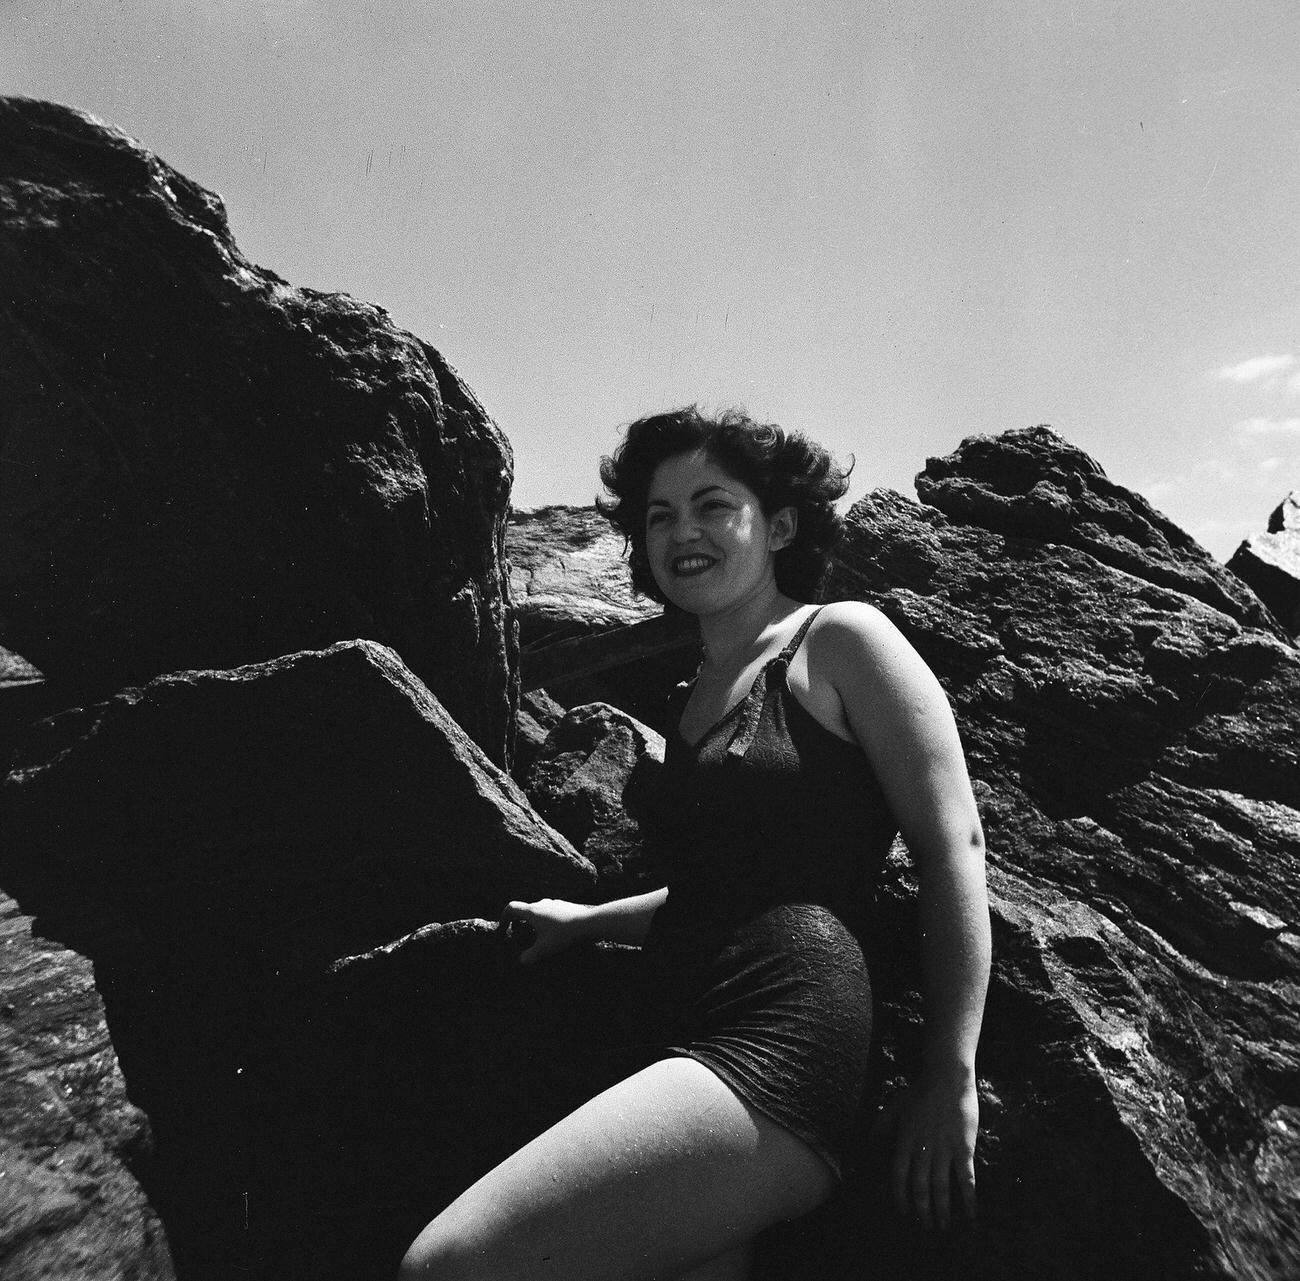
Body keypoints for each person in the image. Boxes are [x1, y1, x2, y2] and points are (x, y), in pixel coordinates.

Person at [399, 407, 991, 1281]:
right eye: (660, 515)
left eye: (713, 505)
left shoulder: (842, 639)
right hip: (692, 1016)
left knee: (448, 1264)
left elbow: (955, 847)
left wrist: (951, 1072)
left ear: (779, 525)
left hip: (786, 1036)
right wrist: (588, 919)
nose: (683, 532)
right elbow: (717, 892)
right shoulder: (695, 693)